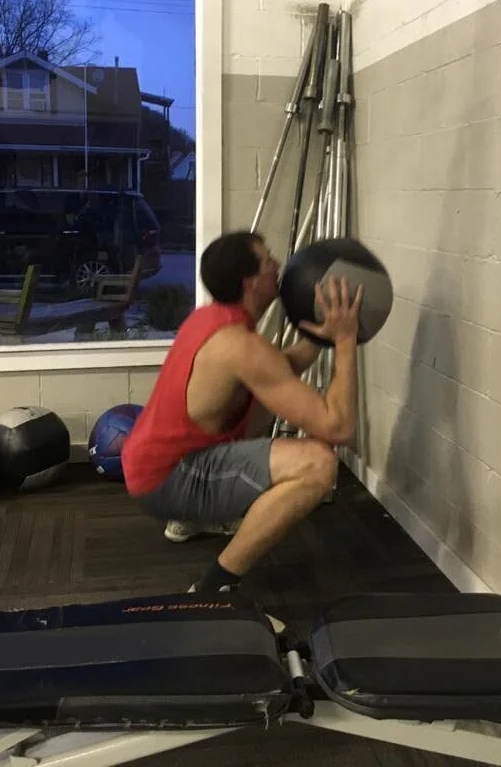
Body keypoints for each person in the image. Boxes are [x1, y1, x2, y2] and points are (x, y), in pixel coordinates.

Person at [122, 230, 362, 596]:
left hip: (151, 462)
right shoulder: (240, 345)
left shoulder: (210, 319)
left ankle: (194, 517)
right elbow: (339, 428)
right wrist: (345, 340)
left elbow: (276, 371)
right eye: (267, 262)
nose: (277, 265)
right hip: (168, 477)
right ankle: (214, 588)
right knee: (318, 464)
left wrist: (320, 336)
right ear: (249, 282)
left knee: (266, 397)